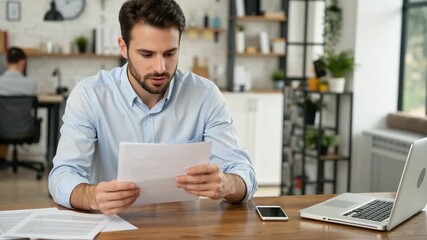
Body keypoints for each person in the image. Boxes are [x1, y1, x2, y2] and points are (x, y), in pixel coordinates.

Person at [48, 0, 257, 216]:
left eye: (169, 54)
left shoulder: (205, 95)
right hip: (112, 226)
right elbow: (62, 175)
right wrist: (91, 196)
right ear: (123, 47)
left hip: (183, 229)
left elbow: (243, 173)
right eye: (147, 54)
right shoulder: (90, 96)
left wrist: (226, 184)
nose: (160, 68)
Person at [0, 47, 37, 165]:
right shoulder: (31, 84)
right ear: (22, 62)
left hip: (2, 130)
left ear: (6, 62)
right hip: (26, 130)